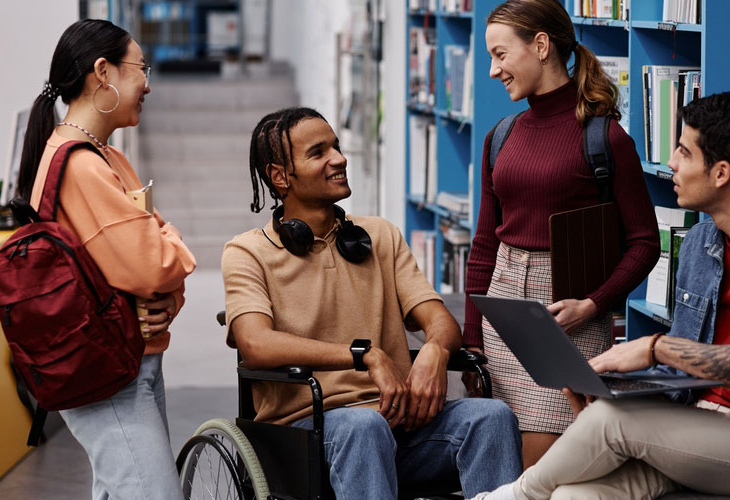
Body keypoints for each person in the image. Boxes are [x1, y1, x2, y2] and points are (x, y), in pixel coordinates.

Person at [470, 90, 730, 500]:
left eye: (684, 151)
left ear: (721, 173)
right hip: (694, 427)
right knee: (575, 495)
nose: (671, 163)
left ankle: (513, 496)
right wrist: (612, 386)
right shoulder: (701, 242)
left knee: (611, 423)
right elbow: (685, 374)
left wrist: (654, 348)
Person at [221, 107, 522, 500]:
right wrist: (366, 356)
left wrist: (433, 352)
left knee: (491, 417)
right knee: (364, 427)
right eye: (318, 152)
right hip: (307, 435)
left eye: (337, 147)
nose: (339, 159)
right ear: (280, 177)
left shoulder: (380, 235)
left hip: (401, 426)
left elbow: (439, 320)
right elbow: (255, 344)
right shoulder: (247, 252)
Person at [463, 0, 661, 468]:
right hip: (501, 315)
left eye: (500, 54)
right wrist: (472, 342)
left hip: (568, 321)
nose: (493, 70)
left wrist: (593, 305)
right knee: (497, 461)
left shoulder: (606, 139)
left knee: (542, 471)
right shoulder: (501, 135)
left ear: (541, 45)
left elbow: (645, 243)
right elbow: (484, 243)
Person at [17, 19, 196, 499]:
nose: (148, 84)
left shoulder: (104, 158)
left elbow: (151, 274)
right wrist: (171, 241)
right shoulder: (81, 165)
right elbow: (154, 264)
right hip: (109, 375)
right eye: (142, 68)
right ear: (103, 72)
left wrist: (163, 291)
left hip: (128, 361)